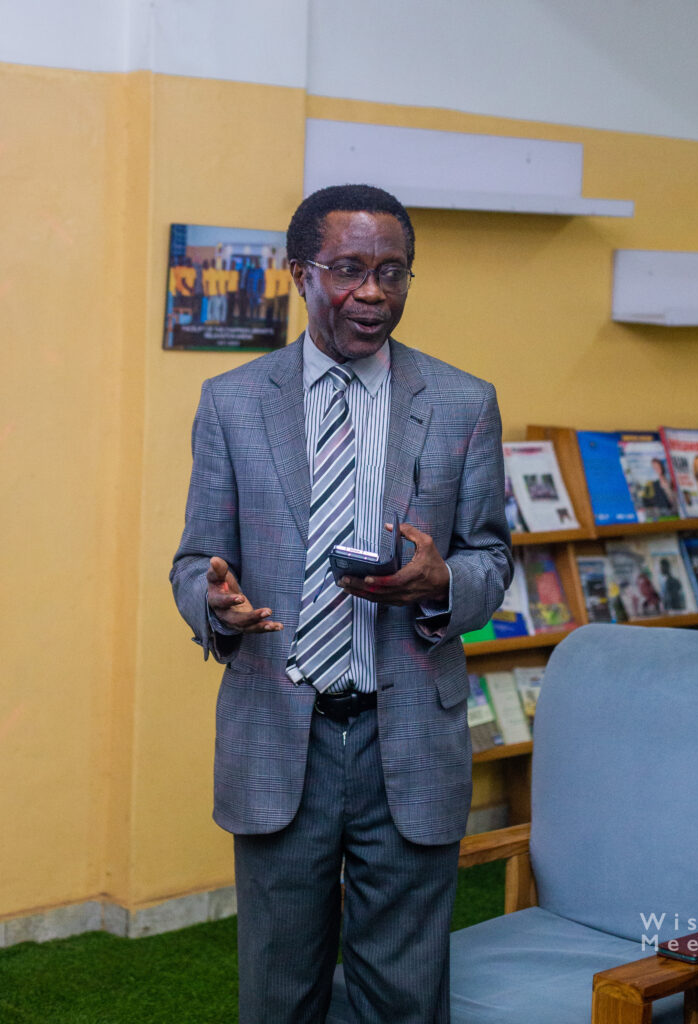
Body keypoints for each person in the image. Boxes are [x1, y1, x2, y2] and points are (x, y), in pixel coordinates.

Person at [170, 184, 512, 1023]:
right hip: (282, 735)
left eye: (392, 272)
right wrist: (214, 604)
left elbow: (492, 557)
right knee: (280, 991)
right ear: (301, 274)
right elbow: (194, 562)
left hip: (409, 736)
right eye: (349, 269)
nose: (373, 292)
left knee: (404, 993)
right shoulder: (232, 402)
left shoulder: (463, 402)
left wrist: (444, 584)